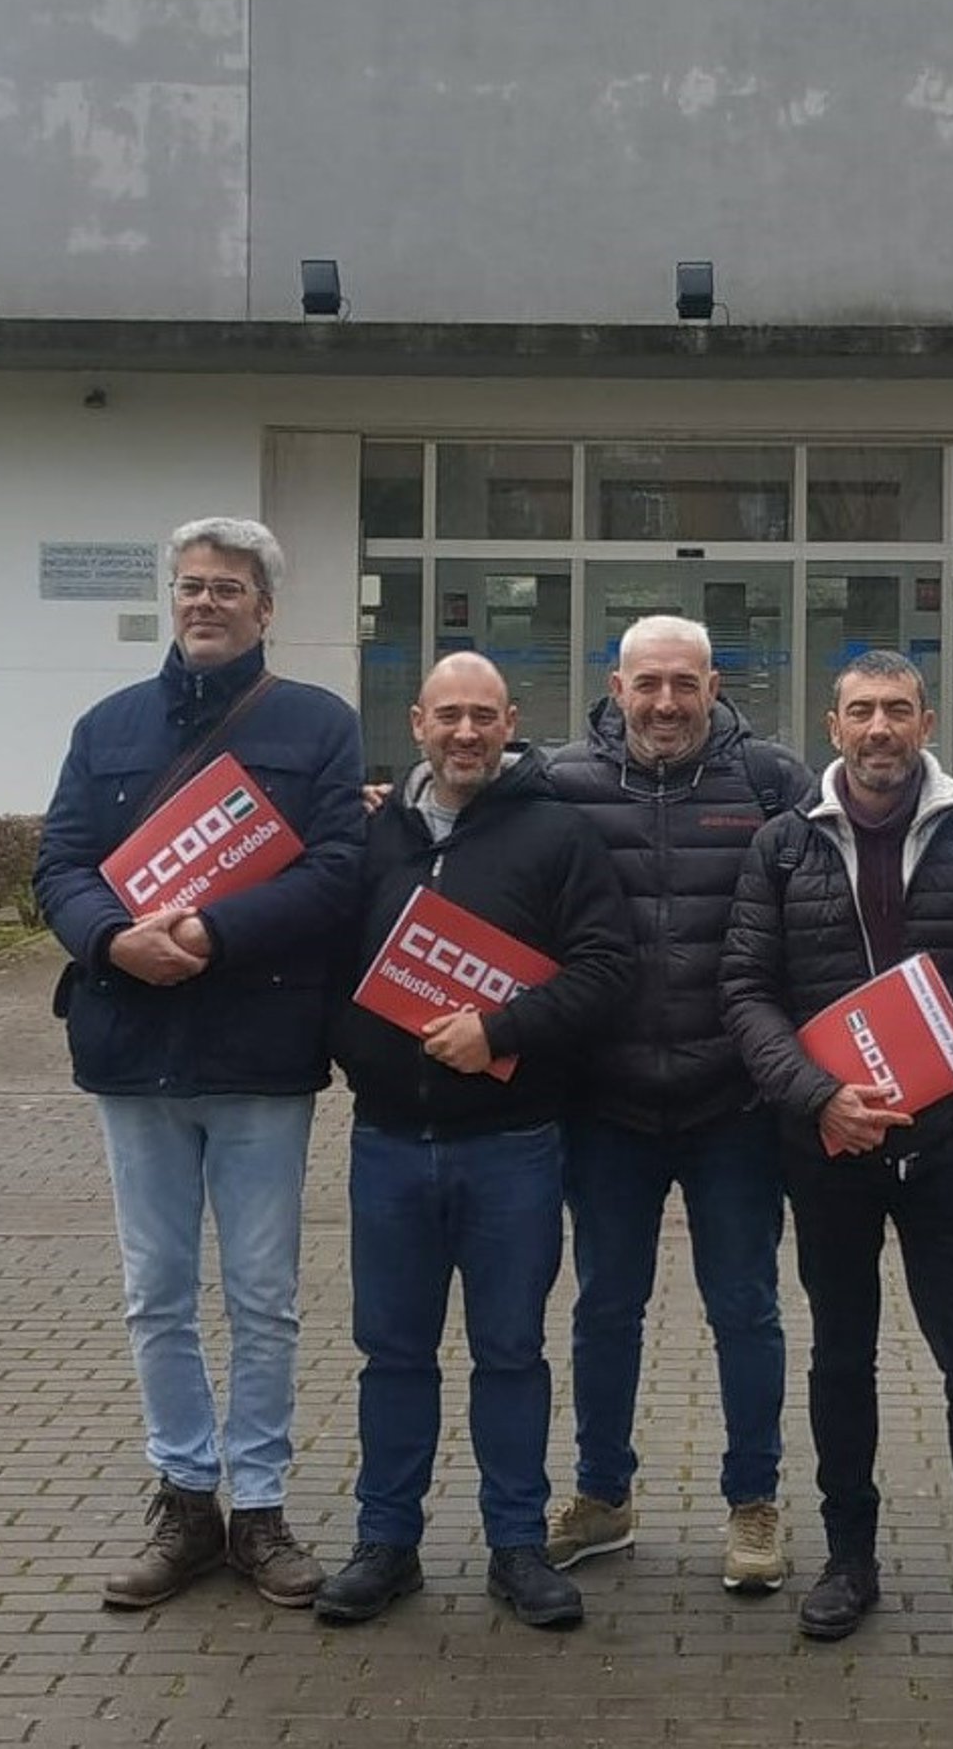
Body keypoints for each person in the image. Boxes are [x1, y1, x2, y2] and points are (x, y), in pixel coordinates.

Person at [720, 651, 953, 1686]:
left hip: (948, 1149)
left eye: (899, 711)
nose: (880, 728)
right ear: (833, 726)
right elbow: (747, 989)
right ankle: (850, 1562)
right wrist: (816, 1096)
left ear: (927, 723)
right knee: (841, 1358)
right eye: (862, 711)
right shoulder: (785, 843)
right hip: (830, 1148)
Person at [33, 516, 364, 1610]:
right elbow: (61, 864)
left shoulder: (317, 725)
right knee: (156, 1295)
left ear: (266, 607)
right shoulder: (107, 726)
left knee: (263, 1296)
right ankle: (185, 1499)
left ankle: (258, 1506)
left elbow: (338, 869)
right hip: (134, 1051)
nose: (205, 603)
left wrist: (215, 933)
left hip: (261, 1052)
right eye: (189, 586)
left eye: (227, 588)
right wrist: (109, 940)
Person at [315, 654, 631, 1632]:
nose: (465, 732)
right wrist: (355, 1049)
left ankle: (516, 1545)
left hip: (513, 1144)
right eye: (448, 715)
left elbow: (607, 971)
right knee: (392, 1354)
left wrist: (499, 1030)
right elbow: (324, 958)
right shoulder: (370, 833)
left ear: (510, 722)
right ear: (417, 722)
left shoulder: (558, 834)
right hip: (387, 1141)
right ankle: (386, 1541)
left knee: (511, 1352)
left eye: (483, 716)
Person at [542, 615, 812, 1594]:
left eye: (683, 684)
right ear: (616, 687)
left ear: (713, 686)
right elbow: (463, 819)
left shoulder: (772, 782)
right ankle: (602, 1495)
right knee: (605, 1308)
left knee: (746, 1308)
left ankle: (753, 1502)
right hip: (605, 1104)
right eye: (647, 684)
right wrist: (392, 799)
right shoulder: (559, 782)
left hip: (733, 1103)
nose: (665, 702)